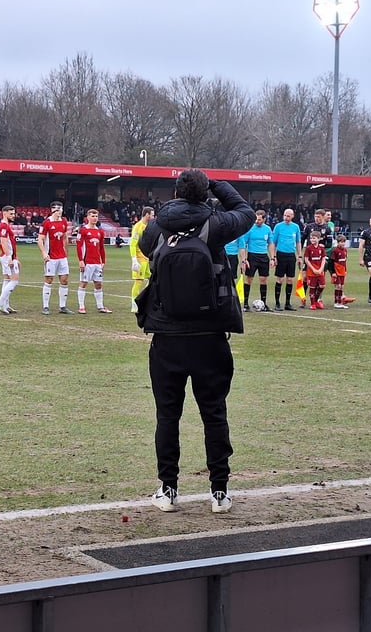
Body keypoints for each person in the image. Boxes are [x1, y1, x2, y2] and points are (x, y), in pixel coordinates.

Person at [137, 169, 255, 514]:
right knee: (214, 413)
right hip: (210, 335)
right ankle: (219, 492)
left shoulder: (156, 227)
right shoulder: (216, 224)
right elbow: (245, 212)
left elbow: (148, 251)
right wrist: (218, 185)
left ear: (175, 192)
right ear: (206, 193)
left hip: (166, 335)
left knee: (167, 415)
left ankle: (168, 489)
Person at [37, 201, 72, 315]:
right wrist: (44, 253)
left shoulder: (64, 221)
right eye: (58, 210)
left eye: (61, 209)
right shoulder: (47, 223)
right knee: (49, 280)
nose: (60, 212)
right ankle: (45, 306)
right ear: (53, 210)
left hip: (62, 256)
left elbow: (65, 237)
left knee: (64, 280)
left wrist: (66, 251)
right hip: (51, 256)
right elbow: (40, 239)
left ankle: (62, 306)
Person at [76, 208, 111, 313]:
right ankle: (81, 306)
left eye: (96, 216)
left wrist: (103, 261)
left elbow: (101, 248)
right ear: (88, 217)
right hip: (87, 262)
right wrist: (81, 260)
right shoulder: (83, 230)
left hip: (97, 263)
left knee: (98, 284)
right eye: (92, 216)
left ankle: (100, 306)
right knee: (84, 283)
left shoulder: (100, 232)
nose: (94, 218)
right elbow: (79, 246)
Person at [237, 209, 273, 310]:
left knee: (263, 280)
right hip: (252, 256)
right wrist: (244, 259)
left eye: (259, 219)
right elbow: (243, 245)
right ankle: (245, 304)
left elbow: (271, 243)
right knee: (249, 279)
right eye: (256, 219)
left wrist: (272, 257)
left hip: (263, 257)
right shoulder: (250, 229)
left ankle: (264, 304)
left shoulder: (268, 229)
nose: (257, 221)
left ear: (264, 219)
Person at [268, 208, 301, 311]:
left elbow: (298, 242)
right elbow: (273, 243)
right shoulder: (278, 227)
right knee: (280, 279)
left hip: (291, 255)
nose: (286, 218)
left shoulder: (296, 227)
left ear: (292, 216)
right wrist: (273, 257)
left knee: (290, 279)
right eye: (285, 215)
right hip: (281, 255)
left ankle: (287, 303)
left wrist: (299, 255)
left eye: (288, 216)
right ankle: (277, 303)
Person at [301, 209, 334, 308]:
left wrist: (322, 246)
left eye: (319, 217)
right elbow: (302, 239)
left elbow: (329, 243)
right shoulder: (309, 226)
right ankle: (303, 299)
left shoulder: (327, 228)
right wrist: (301, 252)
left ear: (323, 217)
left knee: (319, 279)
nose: (317, 219)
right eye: (316, 216)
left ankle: (317, 299)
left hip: (319, 257)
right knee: (305, 278)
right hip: (309, 254)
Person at [0, 205, 20, 314]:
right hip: (7, 257)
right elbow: (3, 242)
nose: (13, 216)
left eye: (14, 213)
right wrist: (10, 258)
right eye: (11, 213)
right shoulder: (4, 225)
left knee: (7, 280)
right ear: (4, 213)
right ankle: (0, 303)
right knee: (14, 280)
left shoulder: (5, 225)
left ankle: (5, 305)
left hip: (7, 256)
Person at [129, 206, 155, 313]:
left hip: (148, 258)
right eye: (152, 215)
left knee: (152, 279)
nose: (154, 217)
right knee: (139, 281)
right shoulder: (138, 227)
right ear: (147, 214)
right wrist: (134, 259)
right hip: (140, 259)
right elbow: (133, 244)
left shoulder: (149, 226)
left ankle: (146, 300)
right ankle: (134, 304)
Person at [303, 229, 327, 309]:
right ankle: (313, 304)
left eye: (314, 238)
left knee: (322, 285)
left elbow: (323, 259)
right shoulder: (309, 248)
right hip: (311, 271)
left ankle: (316, 300)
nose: (312, 240)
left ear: (319, 239)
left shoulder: (321, 248)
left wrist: (321, 269)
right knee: (312, 287)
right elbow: (306, 260)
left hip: (320, 270)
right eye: (311, 238)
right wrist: (313, 269)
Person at [330, 234, 351, 309]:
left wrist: (345, 270)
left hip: (342, 271)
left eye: (344, 242)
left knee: (341, 286)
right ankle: (336, 302)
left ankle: (340, 302)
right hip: (337, 271)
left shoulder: (345, 250)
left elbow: (344, 261)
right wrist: (333, 272)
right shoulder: (335, 250)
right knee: (338, 286)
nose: (342, 243)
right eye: (341, 242)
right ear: (337, 242)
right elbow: (332, 262)